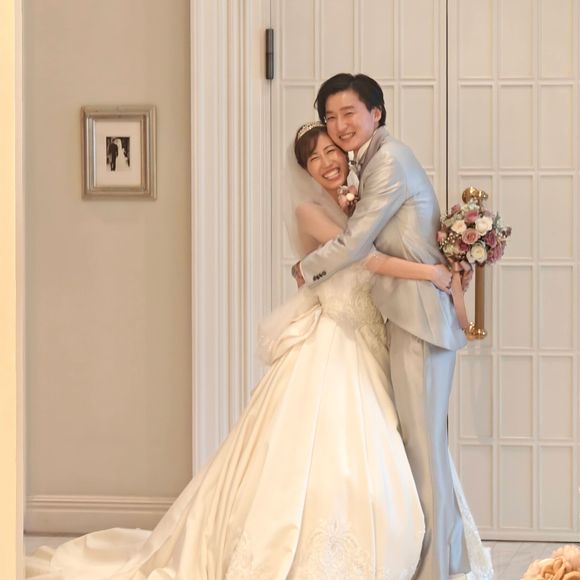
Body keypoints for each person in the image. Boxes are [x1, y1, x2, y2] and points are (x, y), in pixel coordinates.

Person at [26, 123, 487, 580]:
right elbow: (364, 257)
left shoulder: (363, 200)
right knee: (324, 453)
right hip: (333, 340)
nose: (326, 162)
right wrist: (431, 274)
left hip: (373, 337)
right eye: (314, 159)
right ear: (305, 171)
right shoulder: (310, 211)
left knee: (401, 441)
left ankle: (423, 551)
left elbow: (393, 240)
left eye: (331, 151)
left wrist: (449, 260)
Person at [291, 73, 481, 580]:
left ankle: (436, 568)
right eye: (330, 117)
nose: (339, 125)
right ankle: (447, 559)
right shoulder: (373, 161)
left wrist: (305, 269)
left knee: (423, 448)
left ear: (375, 112)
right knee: (422, 446)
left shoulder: (389, 160)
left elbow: (357, 243)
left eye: (348, 113)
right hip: (409, 314)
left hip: (419, 318)